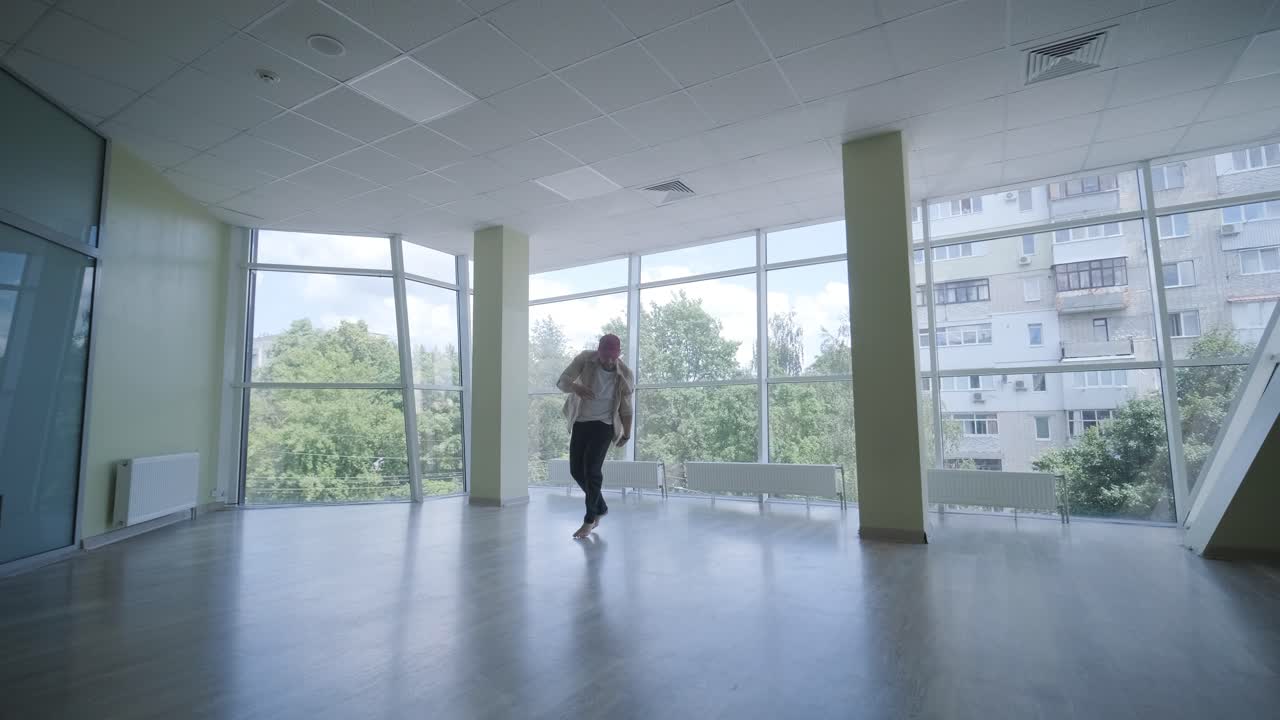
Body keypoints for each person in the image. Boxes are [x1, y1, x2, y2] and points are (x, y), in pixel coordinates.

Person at [557, 333, 633, 539]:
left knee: (592, 470)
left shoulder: (624, 374)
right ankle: (601, 507)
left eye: (612, 357)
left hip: (604, 425)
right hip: (581, 421)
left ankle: (590, 519)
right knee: (575, 470)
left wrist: (626, 433)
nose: (608, 360)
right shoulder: (584, 359)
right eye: (604, 355)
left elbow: (626, 409)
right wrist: (576, 387)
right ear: (598, 351)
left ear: (618, 355)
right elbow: (561, 381)